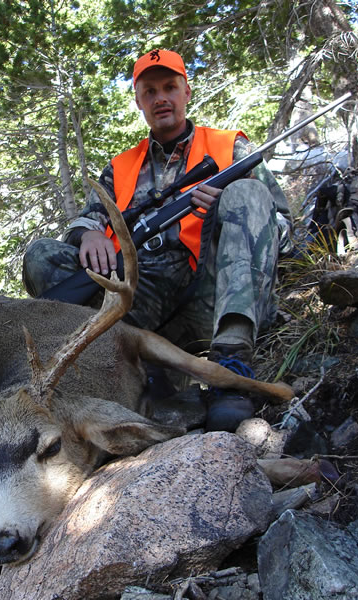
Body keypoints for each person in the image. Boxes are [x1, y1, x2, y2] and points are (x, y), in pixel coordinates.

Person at [23, 49, 292, 431]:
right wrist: (88, 234)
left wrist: (229, 206)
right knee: (41, 255)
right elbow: (88, 217)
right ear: (138, 101)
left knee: (245, 194)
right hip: (139, 302)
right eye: (149, 91)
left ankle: (232, 365)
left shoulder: (232, 147)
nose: (160, 98)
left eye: (170, 87)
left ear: (187, 92)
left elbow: (283, 228)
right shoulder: (120, 166)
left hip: (213, 297)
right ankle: (119, 370)